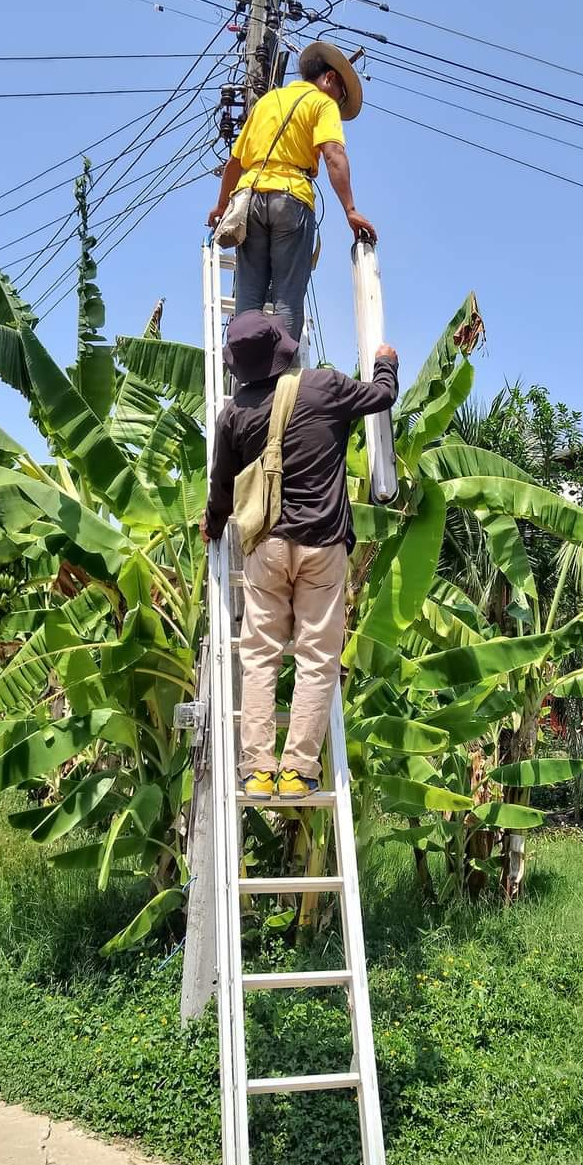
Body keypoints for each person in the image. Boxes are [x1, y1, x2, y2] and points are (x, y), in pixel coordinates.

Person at [202, 310, 398, 799]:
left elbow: (221, 491)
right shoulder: (324, 387)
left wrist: (213, 522)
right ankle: (298, 770)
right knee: (316, 658)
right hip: (323, 547)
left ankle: (256, 770)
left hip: (266, 548)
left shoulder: (233, 415)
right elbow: (382, 397)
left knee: (260, 656)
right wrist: (386, 363)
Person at [207, 41, 377, 342]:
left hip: (249, 200)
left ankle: (248, 377)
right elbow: (333, 153)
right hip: (291, 198)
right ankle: (282, 380)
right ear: (331, 79)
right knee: (287, 298)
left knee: (248, 298)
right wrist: (350, 210)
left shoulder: (267, 102)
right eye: (341, 96)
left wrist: (221, 207)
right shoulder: (322, 104)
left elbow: (234, 163)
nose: (338, 102)